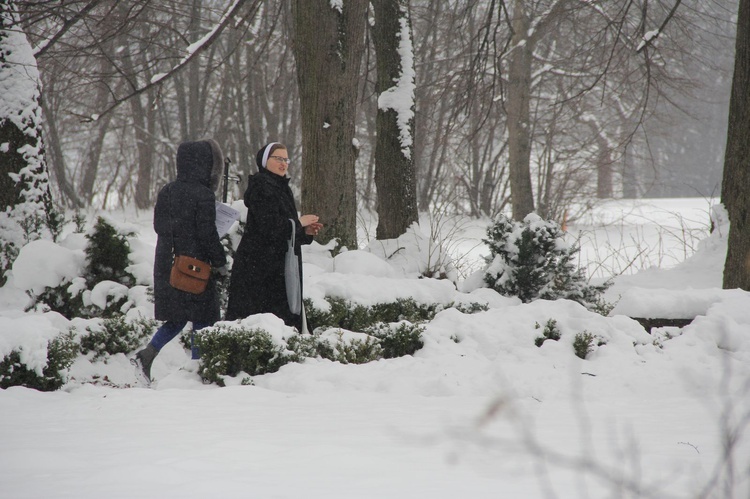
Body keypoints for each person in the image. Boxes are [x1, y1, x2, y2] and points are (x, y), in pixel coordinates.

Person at [132, 139, 228, 385]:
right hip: (196, 268)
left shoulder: (167, 191)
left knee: (177, 317)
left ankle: (148, 354)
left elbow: (158, 225)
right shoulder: (204, 194)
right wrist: (220, 260)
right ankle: (197, 369)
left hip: (169, 265)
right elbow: (207, 233)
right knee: (202, 318)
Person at [226, 142, 322, 331]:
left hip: (277, 266)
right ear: (264, 161)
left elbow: (283, 231)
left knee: (278, 322)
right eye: (278, 158)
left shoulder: (281, 187)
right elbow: (268, 227)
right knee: (260, 322)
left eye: (286, 159)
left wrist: (304, 233)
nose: (283, 163)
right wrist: (298, 223)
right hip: (259, 269)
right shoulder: (262, 187)